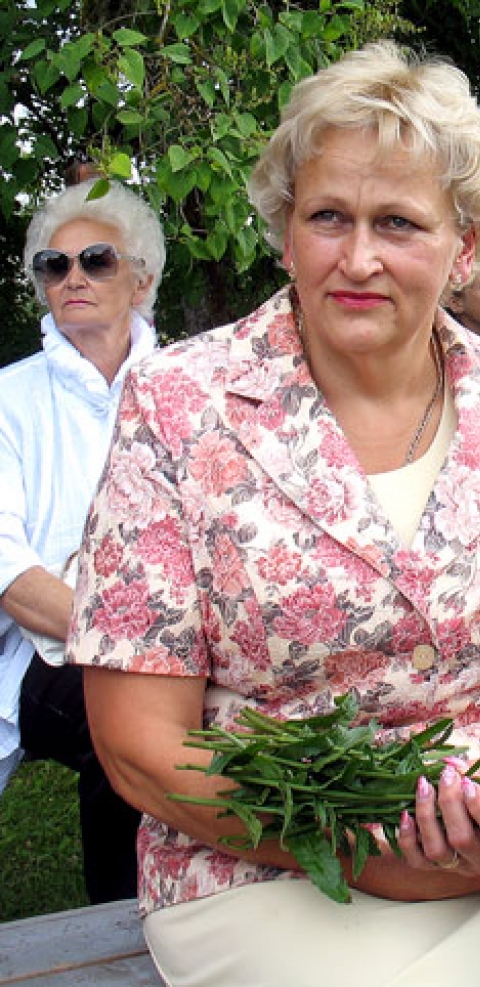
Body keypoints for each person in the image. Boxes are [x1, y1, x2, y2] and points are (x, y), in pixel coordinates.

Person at [66, 41, 480, 987]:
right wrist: (367, 850)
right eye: (329, 215)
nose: (358, 257)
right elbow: (138, 738)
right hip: (263, 870)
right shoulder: (177, 403)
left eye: (400, 222)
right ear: (286, 233)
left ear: (466, 246)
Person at [0, 178, 162, 901]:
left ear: (142, 277)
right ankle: (123, 932)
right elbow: (9, 571)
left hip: (181, 643)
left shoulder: (187, 389)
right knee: (119, 722)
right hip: (38, 652)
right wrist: (132, 642)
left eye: (96, 261)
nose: (72, 278)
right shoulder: (11, 399)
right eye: (53, 265)